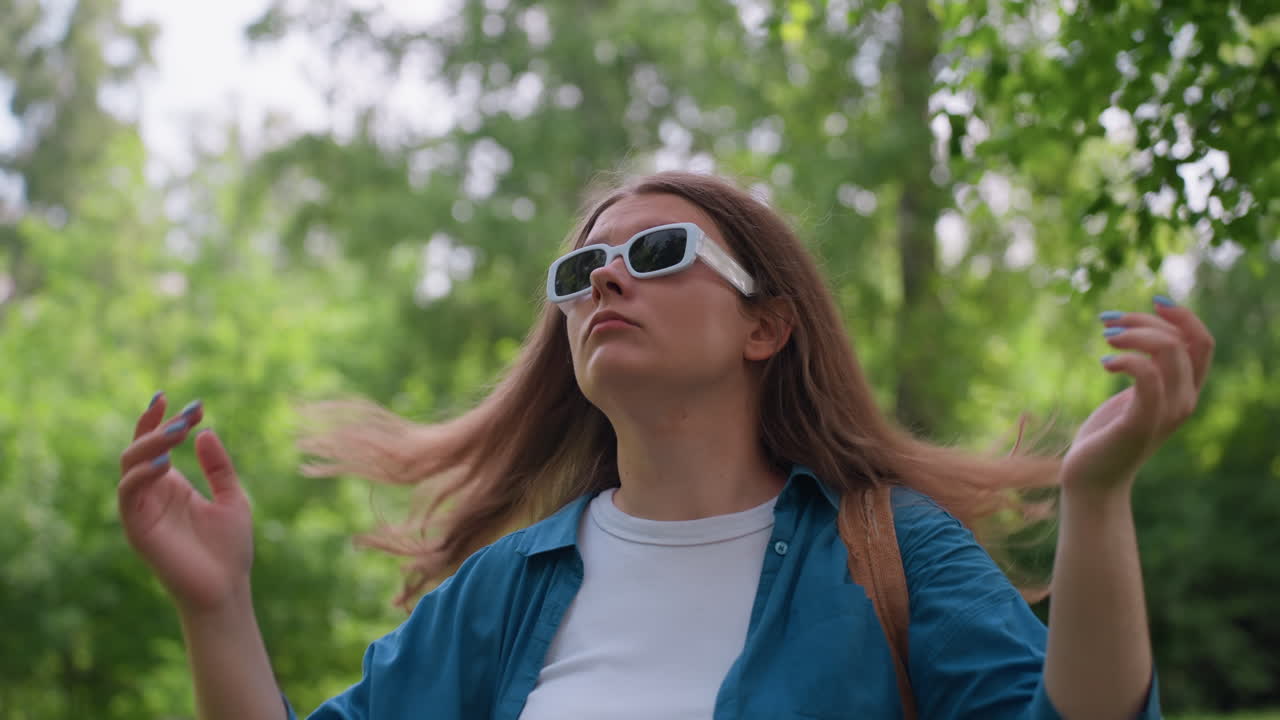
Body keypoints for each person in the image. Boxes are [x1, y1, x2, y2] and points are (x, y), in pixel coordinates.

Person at [117, 171, 1214, 719]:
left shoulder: (891, 552)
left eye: (654, 250)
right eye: (580, 271)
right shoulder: (506, 591)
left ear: (763, 324)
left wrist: (1096, 497)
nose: (602, 278)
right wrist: (215, 606)